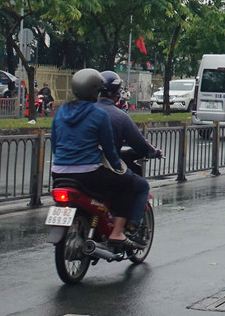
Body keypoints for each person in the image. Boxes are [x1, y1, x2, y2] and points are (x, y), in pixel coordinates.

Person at [50, 69, 144, 248]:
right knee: (129, 183)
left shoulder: (60, 112)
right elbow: (109, 151)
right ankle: (117, 233)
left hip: (58, 173)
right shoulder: (99, 115)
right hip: (88, 174)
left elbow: (55, 145)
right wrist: (118, 167)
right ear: (95, 91)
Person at [95, 71, 161, 234]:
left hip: (64, 171)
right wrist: (152, 152)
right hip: (97, 170)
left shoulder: (74, 113)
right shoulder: (118, 117)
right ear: (117, 94)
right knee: (136, 184)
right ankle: (125, 229)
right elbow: (137, 144)